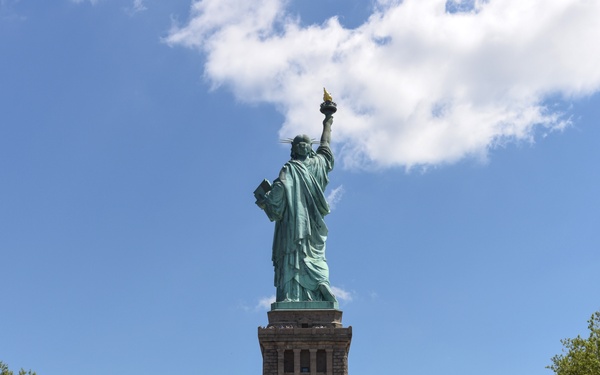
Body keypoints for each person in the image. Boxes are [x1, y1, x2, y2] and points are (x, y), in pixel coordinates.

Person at [256, 115, 337, 303]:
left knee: (299, 252)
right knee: (303, 253)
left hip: (301, 222)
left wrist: (264, 201)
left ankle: (304, 290)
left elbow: (279, 191)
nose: (302, 146)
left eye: (305, 143)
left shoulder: (297, 167)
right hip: (298, 221)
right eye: (299, 144)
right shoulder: (299, 167)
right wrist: (328, 121)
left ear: (310, 148)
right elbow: (281, 188)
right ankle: (309, 287)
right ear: (294, 149)